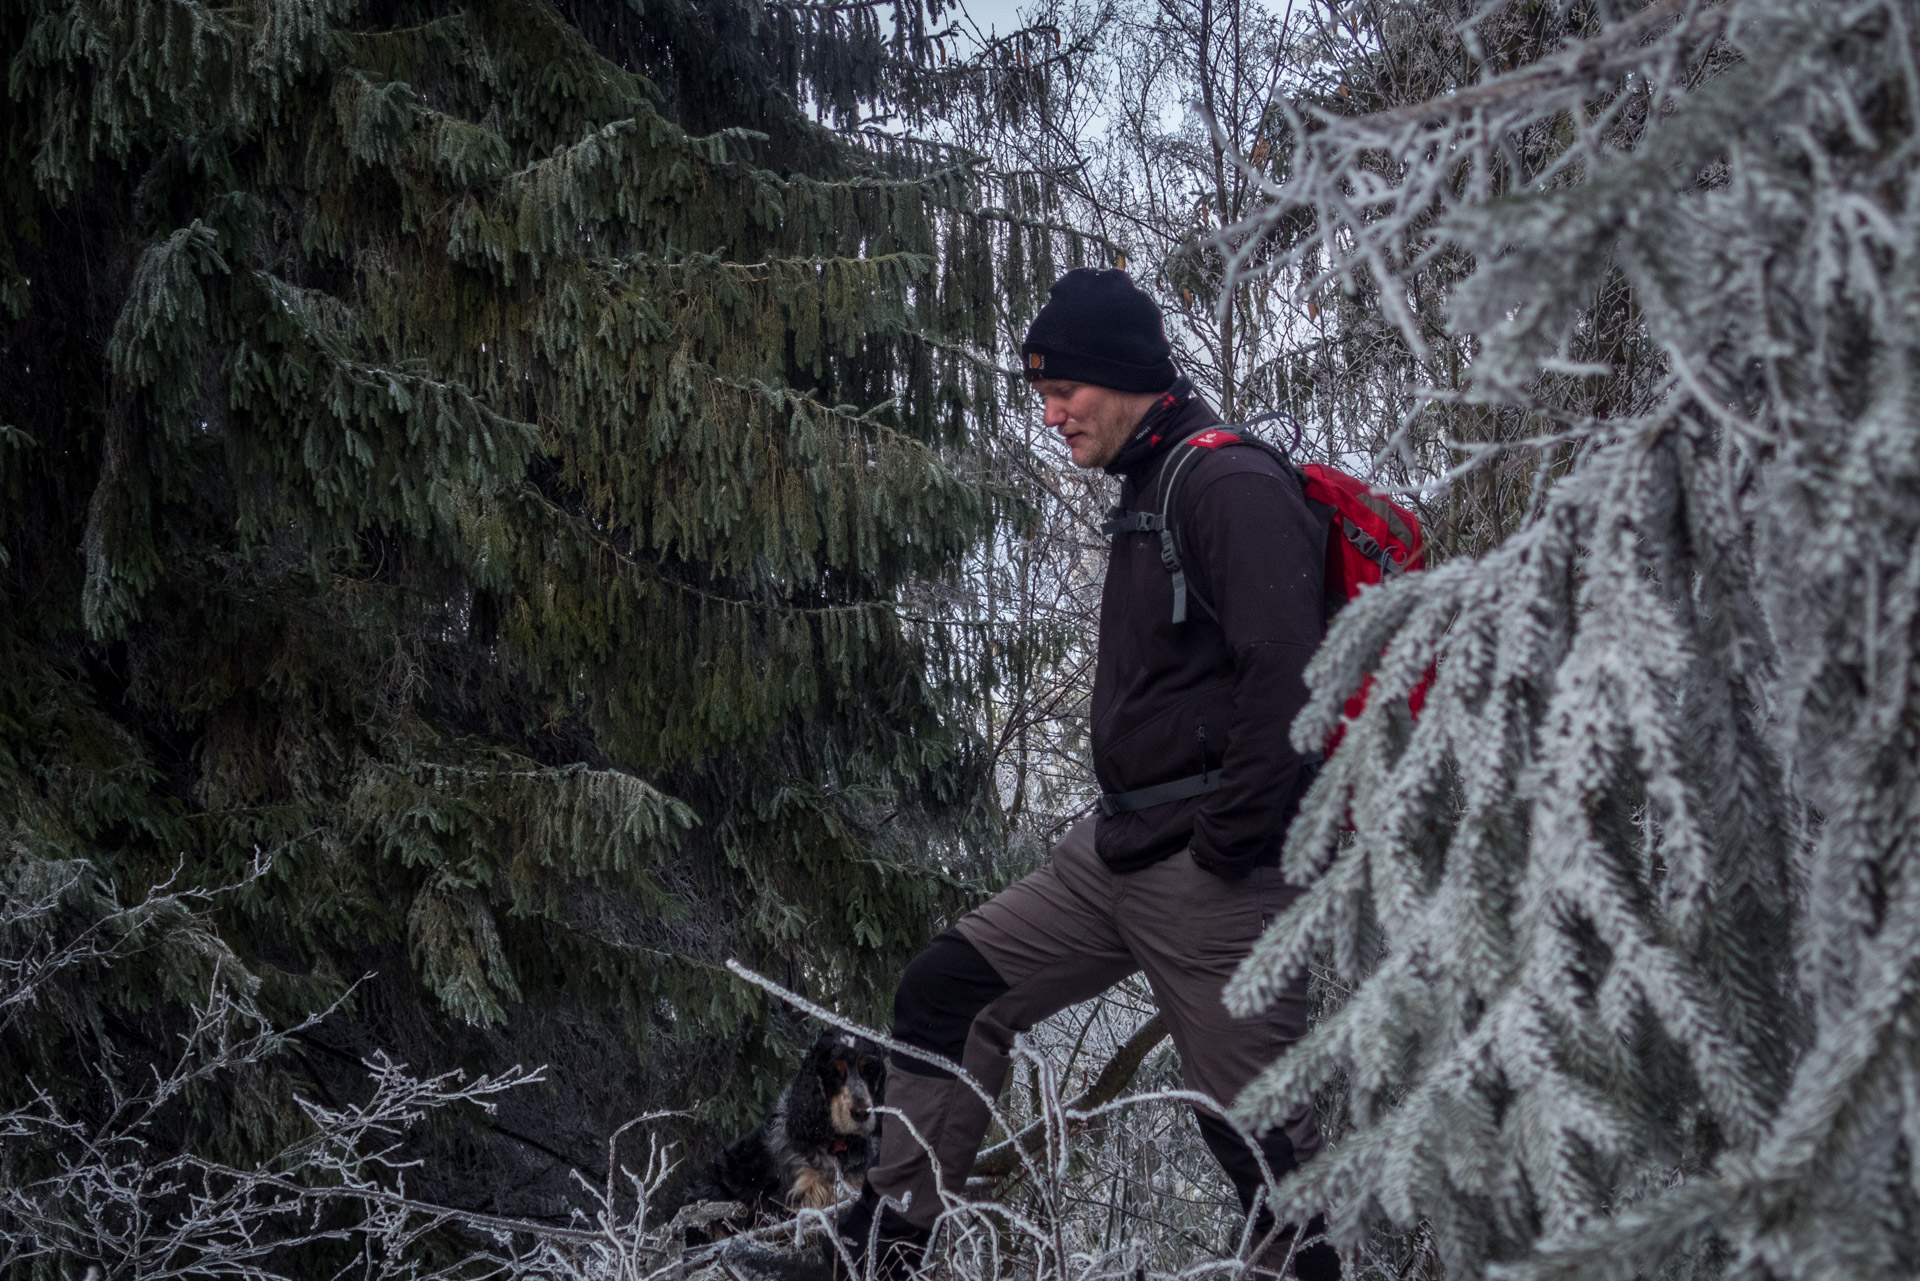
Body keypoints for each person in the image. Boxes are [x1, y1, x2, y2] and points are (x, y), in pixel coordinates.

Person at [840, 268, 1338, 1281]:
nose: (1050, 414)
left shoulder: (1229, 484)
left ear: (1124, 377)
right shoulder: (1150, 485)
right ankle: (881, 1260)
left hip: (1213, 878)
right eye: (1040, 393)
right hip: (1110, 857)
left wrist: (1228, 849)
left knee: (1267, 1149)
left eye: (1063, 390)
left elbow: (1296, 681)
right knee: (947, 991)